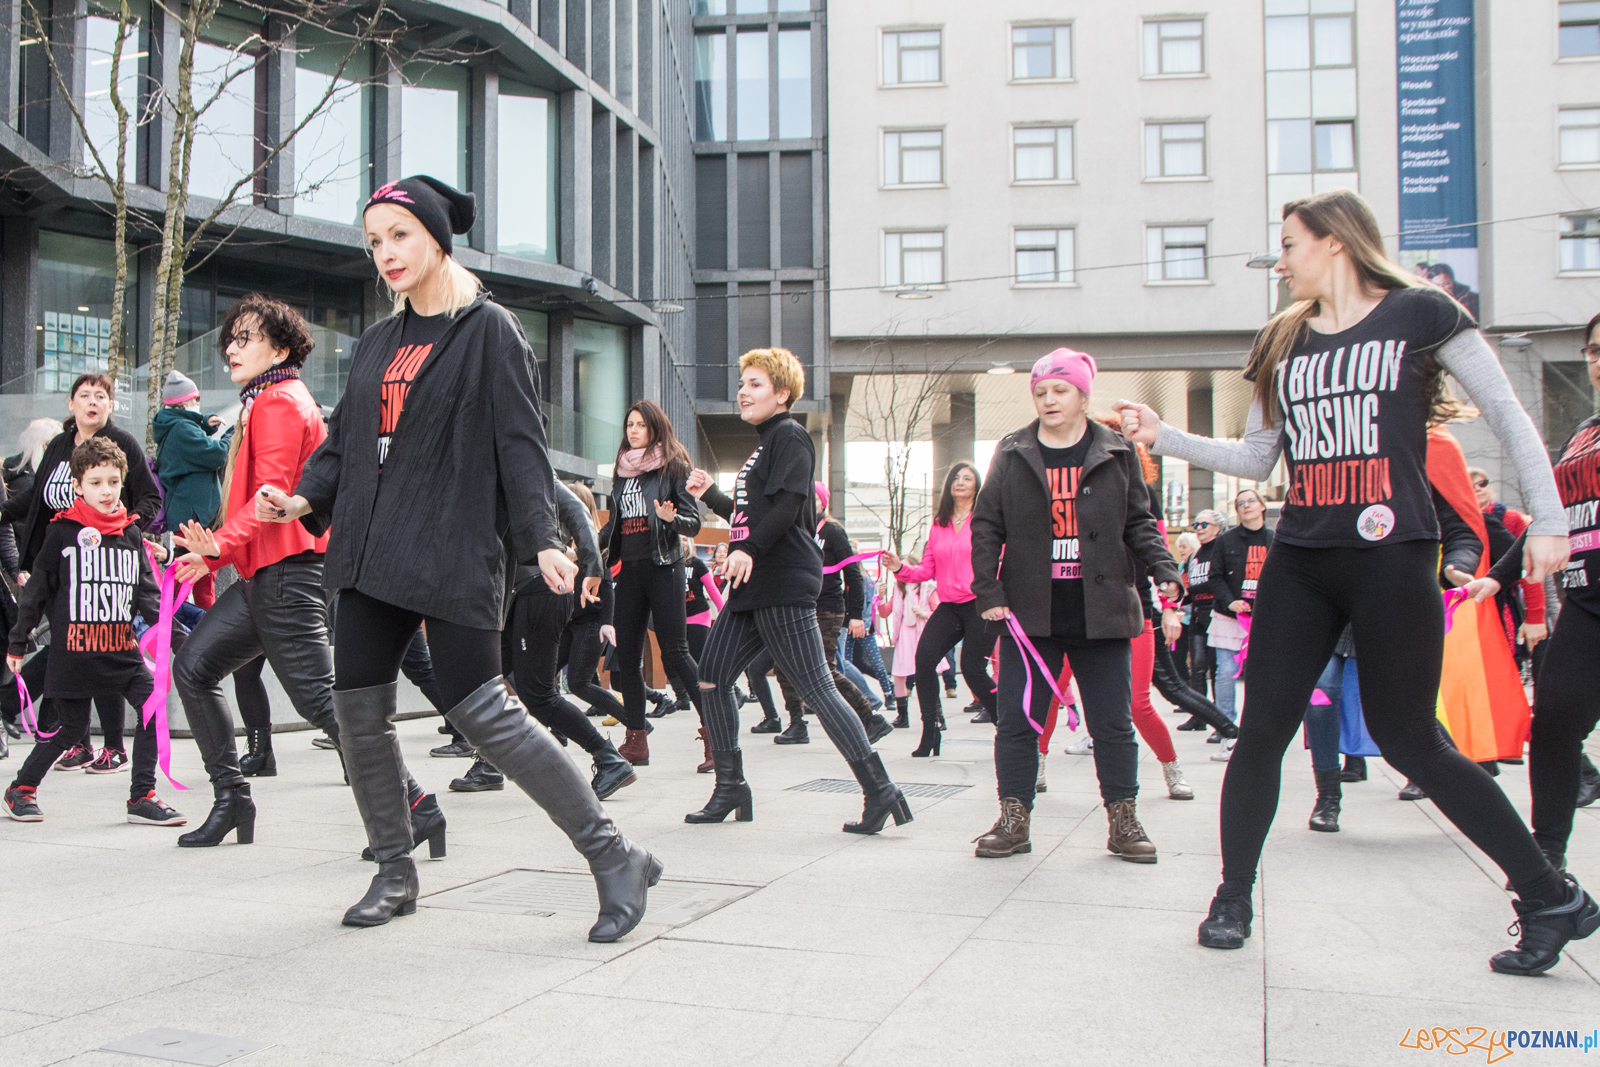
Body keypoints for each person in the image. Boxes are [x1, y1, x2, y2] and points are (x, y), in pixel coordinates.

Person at [1115, 188, 1592, 976]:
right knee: (1263, 728)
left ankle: (1550, 895)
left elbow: (1507, 412)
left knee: (1413, 739)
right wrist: (1162, 435)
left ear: (1335, 243)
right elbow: (1256, 458)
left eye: (1291, 243)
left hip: (1395, 553)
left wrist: (1550, 520)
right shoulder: (1282, 339)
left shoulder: (1424, 314)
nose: (1282, 258)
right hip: (1304, 555)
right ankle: (1233, 895)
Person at [255, 174, 659, 940]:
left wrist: (545, 538)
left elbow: (521, 444)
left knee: (486, 714)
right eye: (374, 241)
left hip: (450, 546)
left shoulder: (489, 331)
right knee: (359, 711)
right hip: (370, 550)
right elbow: (342, 444)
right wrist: (304, 499)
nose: (385, 253)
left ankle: (615, 855)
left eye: (398, 235)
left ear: (437, 238)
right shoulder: (379, 341)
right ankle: (395, 869)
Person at [684, 347, 911, 834]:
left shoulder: (790, 435)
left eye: (755, 384)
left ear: (782, 393)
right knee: (712, 676)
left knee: (818, 688)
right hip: (754, 583)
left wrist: (748, 551)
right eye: (742, 383)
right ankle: (730, 787)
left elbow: (789, 507)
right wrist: (712, 496)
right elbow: (752, 515)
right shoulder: (765, 444)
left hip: (781, 579)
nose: (743, 392)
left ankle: (880, 790)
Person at [968, 348, 1182, 861]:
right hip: (1028, 613)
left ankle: (1123, 820)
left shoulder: (1117, 451)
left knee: (1111, 723)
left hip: (1101, 609)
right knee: (1018, 722)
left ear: (1083, 395)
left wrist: (1164, 569)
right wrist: (989, 592)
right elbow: (985, 526)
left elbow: (1139, 523)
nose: (1048, 399)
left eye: (1059, 390)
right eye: (1040, 391)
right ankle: (1013, 818)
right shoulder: (1013, 450)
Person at [167, 294, 357, 850]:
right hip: (268, 574)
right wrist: (216, 550)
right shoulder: (268, 399)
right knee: (195, 668)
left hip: (288, 572)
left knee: (323, 703)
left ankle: (413, 804)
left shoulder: (277, 402)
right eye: (231, 337)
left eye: (245, 337)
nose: (231, 347)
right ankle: (232, 802)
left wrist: (216, 548)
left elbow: (272, 496)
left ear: (279, 346)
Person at [1464, 311, 1600, 886]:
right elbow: (1552, 519)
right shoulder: (1586, 431)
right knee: (1553, 727)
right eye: (1593, 350)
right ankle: (1548, 862)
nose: (1598, 361)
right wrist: (1496, 576)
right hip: (1586, 601)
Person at [3, 437, 181, 827]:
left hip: (123, 651)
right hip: (74, 653)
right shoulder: (62, 532)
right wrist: (18, 641)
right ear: (78, 485)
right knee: (69, 730)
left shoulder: (132, 535)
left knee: (152, 708)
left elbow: (148, 598)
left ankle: (142, 796)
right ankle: (21, 789)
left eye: (114, 482)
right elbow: (36, 592)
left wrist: (183, 640)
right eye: (96, 482)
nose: (106, 491)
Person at [0, 376, 160, 773]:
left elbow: (150, 498)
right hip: (59, 562)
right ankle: (73, 740)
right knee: (76, 645)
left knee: (97, 644)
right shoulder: (58, 446)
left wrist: (125, 533)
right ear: (71, 404)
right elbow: (35, 498)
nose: (92, 402)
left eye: (101, 396)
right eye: (84, 395)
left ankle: (112, 750)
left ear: (110, 405)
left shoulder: (121, 444)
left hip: (108, 563)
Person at [499, 481, 636, 800]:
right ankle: (493, 759)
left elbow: (581, 515)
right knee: (491, 680)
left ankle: (609, 757)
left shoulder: (524, 470)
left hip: (538, 591)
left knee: (541, 694)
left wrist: (592, 564)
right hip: (518, 595)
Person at [602, 400, 703, 769]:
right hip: (629, 569)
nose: (633, 430)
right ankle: (636, 741)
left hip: (664, 566)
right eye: (629, 424)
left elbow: (692, 523)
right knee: (627, 657)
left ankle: (714, 734)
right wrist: (585, 550)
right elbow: (613, 525)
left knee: (675, 650)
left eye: (641, 425)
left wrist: (670, 519)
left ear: (655, 428)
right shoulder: (623, 469)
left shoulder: (674, 465)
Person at [881, 462, 998, 753]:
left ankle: (1007, 727)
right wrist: (899, 569)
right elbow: (925, 571)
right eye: (955, 477)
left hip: (979, 606)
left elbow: (1000, 563)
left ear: (976, 485)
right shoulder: (939, 524)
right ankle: (930, 732)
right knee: (923, 661)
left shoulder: (986, 520)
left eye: (967, 478)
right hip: (949, 606)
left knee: (972, 668)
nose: (960, 482)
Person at [769, 483, 890, 746]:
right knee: (783, 666)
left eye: (814, 500)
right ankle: (797, 724)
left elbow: (854, 574)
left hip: (828, 608)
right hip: (799, 607)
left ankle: (871, 718)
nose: (807, 505)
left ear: (823, 504)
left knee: (823, 669)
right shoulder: (795, 530)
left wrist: (857, 615)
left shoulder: (832, 532)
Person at [153, 369, 231, 609]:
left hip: (189, 514)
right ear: (184, 402)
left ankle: (171, 620)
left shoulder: (175, 427)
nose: (199, 404)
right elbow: (216, 455)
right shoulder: (182, 431)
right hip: (195, 517)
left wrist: (205, 424)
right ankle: (201, 629)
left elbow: (193, 436)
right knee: (199, 578)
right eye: (196, 400)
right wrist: (232, 435)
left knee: (187, 574)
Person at [1205, 489, 1274, 760]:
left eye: (1251, 501)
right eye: (1240, 503)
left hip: (1265, 618)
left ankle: (1260, 730)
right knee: (1225, 673)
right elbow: (1215, 575)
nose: (1246, 506)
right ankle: (1227, 728)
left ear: (1262, 506)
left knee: (1264, 675)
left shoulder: (1275, 540)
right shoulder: (1226, 541)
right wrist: (1230, 601)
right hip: (1229, 616)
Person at [1178, 509, 1227, 721]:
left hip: (1217, 614)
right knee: (1197, 667)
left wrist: (1191, 590)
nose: (1198, 529)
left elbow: (1218, 581)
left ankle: (1219, 717)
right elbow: (1189, 586)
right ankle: (1198, 716)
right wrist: (1178, 599)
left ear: (1218, 528)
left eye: (1204, 525)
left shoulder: (1222, 549)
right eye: (1196, 525)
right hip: (1198, 615)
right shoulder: (1195, 556)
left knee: (1217, 668)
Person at [888, 555, 932, 731]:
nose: (903, 573)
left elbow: (938, 611)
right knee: (899, 674)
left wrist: (923, 613)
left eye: (906, 568)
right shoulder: (899, 589)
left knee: (926, 673)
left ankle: (936, 715)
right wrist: (881, 599)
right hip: (904, 634)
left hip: (922, 632)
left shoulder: (927, 588)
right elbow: (886, 611)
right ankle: (902, 716)